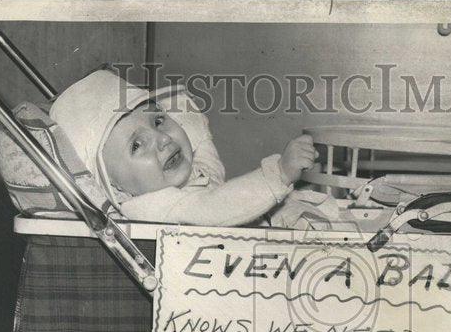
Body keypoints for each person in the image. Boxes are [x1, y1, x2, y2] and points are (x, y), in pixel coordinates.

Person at [50, 68, 318, 225]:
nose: (163, 138)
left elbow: (208, 165)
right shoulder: (149, 206)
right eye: (137, 145)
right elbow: (212, 207)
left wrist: (189, 126)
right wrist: (279, 173)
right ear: (117, 188)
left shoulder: (173, 177)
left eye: (158, 120)